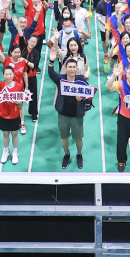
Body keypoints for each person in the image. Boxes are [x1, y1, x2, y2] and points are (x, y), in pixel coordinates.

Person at [47, 40, 90, 169]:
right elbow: (51, 73)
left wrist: (81, 99)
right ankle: (66, 154)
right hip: (63, 114)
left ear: (77, 69)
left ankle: (79, 154)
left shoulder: (81, 80)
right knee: (64, 137)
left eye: (74, 67)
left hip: (77, 115)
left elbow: (88, 96)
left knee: (78, 138)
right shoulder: (61, 79)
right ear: (66, 68)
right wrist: (51, 61)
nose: (72, 69)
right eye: (69, 67)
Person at [0, 56, 25, 165]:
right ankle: (6, 150)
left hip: (14, 115)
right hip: (3, 114)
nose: (8, 76)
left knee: (14, 133)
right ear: (3, 75)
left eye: (10, 74)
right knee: (5, 134)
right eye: (6, 74)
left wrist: (16, 101)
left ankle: (15, 151)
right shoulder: (1, 85)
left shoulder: (19, 86)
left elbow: (21, 102)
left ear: (13, 75)